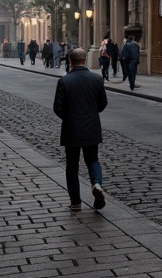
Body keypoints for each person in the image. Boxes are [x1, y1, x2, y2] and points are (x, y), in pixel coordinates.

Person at [53, 47, 107, 213]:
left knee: (72, 165)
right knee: (93, 160)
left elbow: (58, 107)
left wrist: (69, 118)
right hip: (91, 126)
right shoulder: (97, 79)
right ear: (85, 60)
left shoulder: (64, 81)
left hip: (72, 129)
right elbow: (103, 103)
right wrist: (91, 112)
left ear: (70, 61)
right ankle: (97, 183)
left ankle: (76, 202)